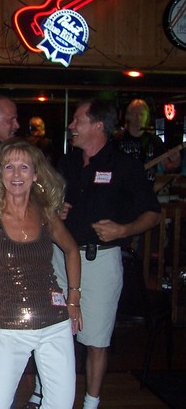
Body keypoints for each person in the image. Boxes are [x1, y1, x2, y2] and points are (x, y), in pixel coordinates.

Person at [0, 139, 82, 408]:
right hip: (10, 328)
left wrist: (74, 299)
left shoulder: (45, 214)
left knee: (61, 405)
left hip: (55, 323)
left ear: (36, 174)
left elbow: (71, 250)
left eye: (24, 167)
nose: (16, 174)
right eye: (9, 167)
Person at [51, 99, 161, 408]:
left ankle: (91, 403)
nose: (71, 126)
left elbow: (153, 214)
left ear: (98, 125)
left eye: (77, 120)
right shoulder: (67, 163)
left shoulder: (125, 166)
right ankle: (50, 395)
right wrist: (55, 209)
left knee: (96, 340)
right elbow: (46, 201)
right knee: (55, 333)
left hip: (98, 262)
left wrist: (124, 230)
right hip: (60, 260)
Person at [115, 99, 179, 183]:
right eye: (135, 114)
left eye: (142, 114)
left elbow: (168, 167)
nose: (138, 117)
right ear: (128, 116)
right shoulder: (118, 140)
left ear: (147, 117)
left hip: (147, 188)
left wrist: (176, 163)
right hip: (122, 188)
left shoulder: (154, 140)